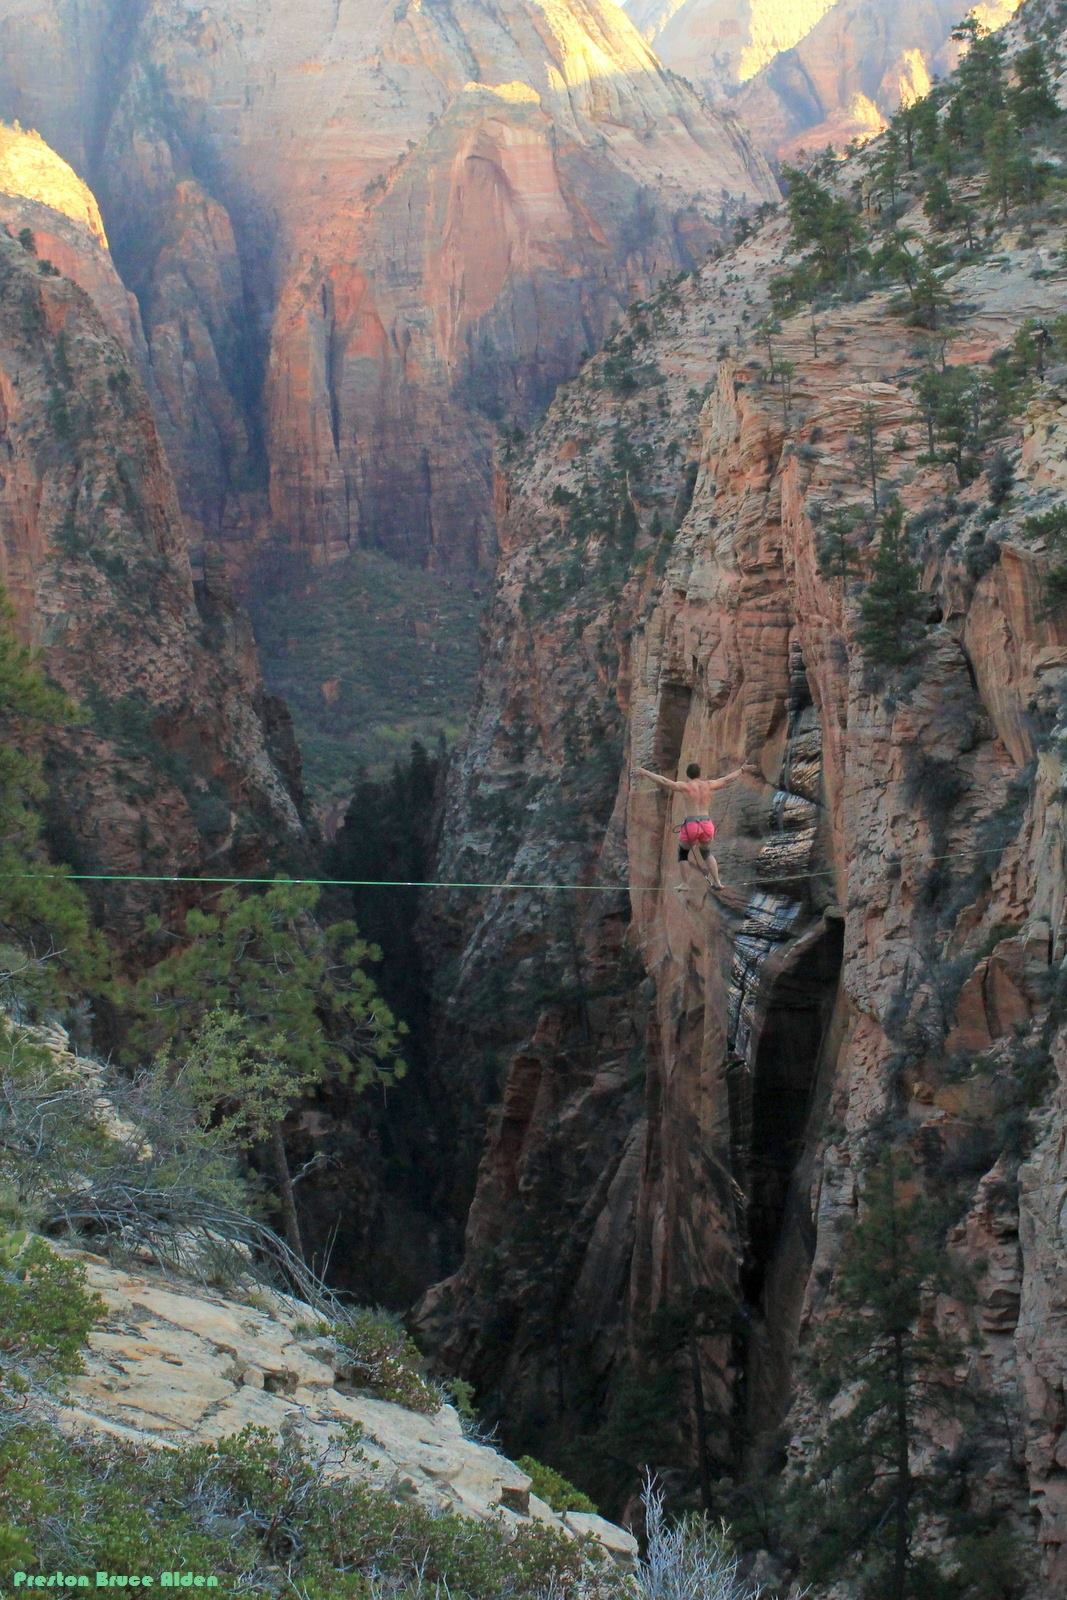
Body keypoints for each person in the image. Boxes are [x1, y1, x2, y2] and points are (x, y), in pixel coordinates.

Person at [634, 760, 756, 892]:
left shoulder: (685, 787)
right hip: (706, 824)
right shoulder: (709, 785)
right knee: (706, 852)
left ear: (688, 775)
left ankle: (685, 884)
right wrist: (742, 770)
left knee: (683, 853)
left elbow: (665, 781)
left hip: (691, 824)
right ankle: (717, 882)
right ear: (699, 774)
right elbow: (727, 780)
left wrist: (645, 772)